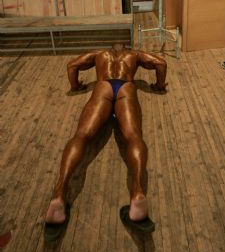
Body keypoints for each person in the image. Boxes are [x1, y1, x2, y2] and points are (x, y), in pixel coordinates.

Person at [44, 43, 167, 240]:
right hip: (126, 87)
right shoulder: (134, 54)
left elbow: (71, 65)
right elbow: (160, 63)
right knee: (134, 137)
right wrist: (159, 86)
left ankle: (59, 192)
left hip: (103, 88)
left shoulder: (99, 53)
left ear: (111, 48)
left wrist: (76, 86)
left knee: (81, 135)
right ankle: (137, 192)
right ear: (126, 47)